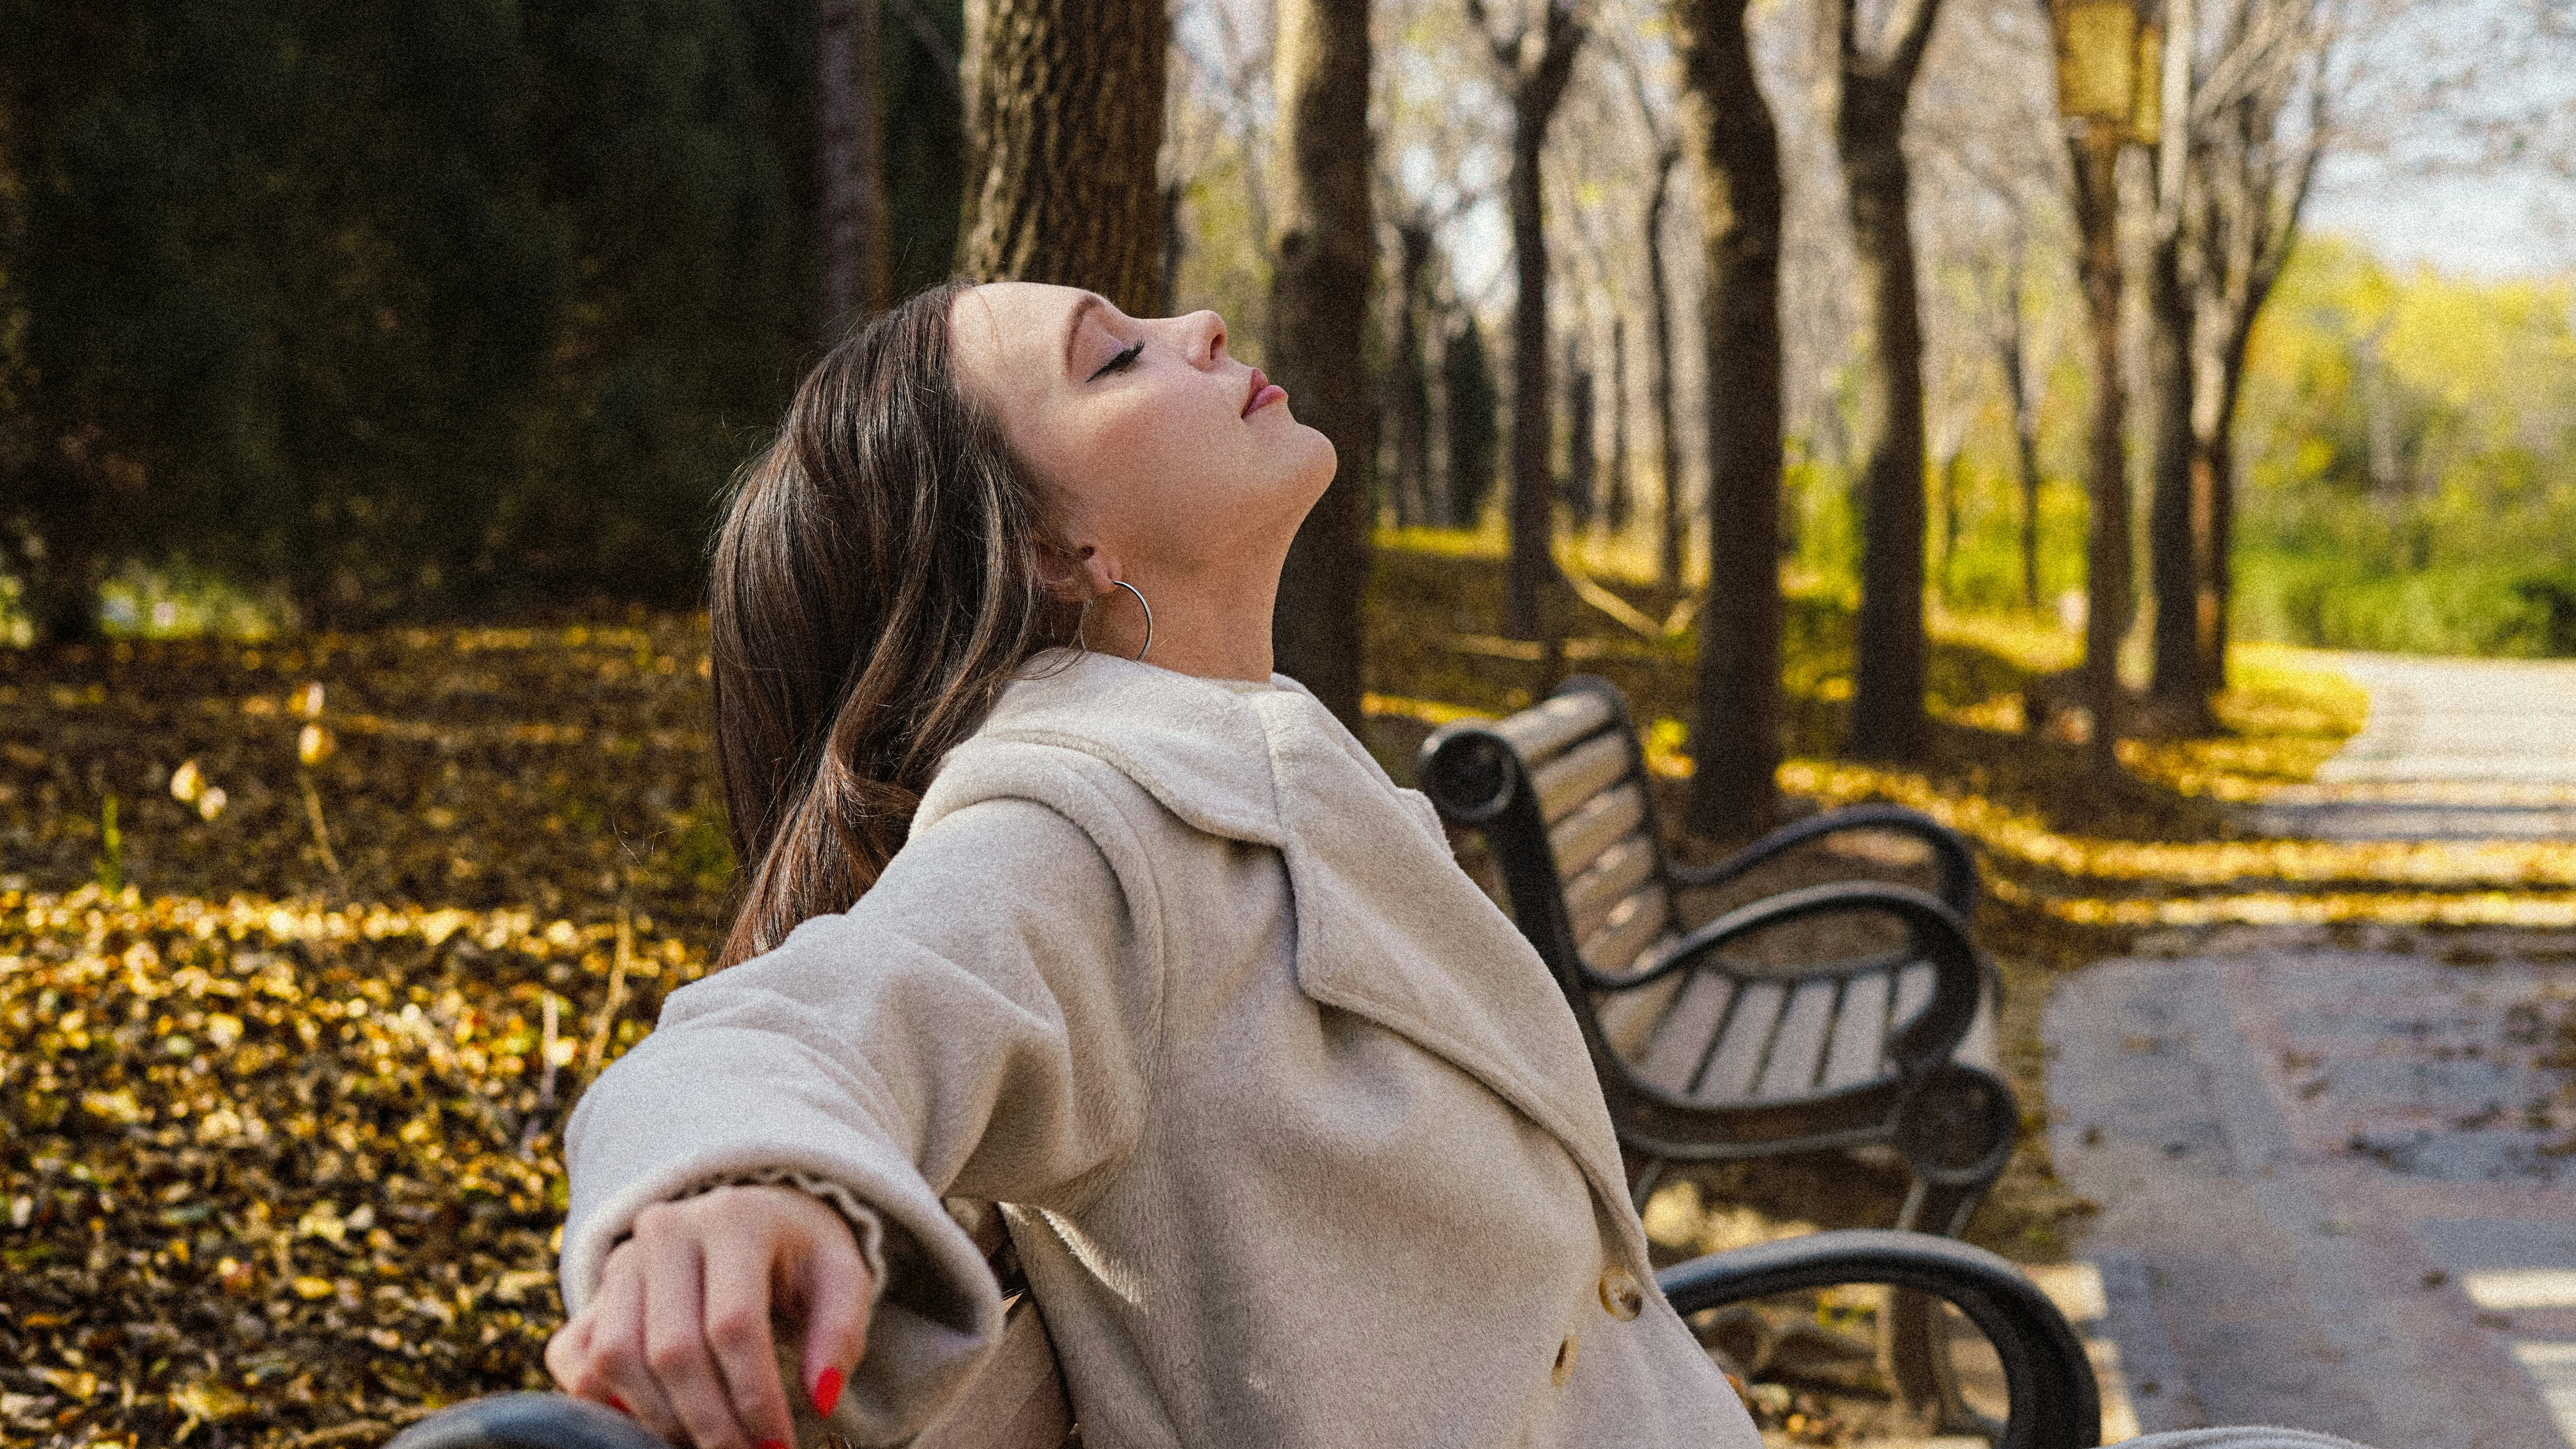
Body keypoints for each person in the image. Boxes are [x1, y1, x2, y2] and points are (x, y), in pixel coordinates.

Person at [537, 281, 2389, 1449]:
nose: (1192, 327)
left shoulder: (1256, 762)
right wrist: (733, 1185)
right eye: (1112, 358)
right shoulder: (1077, 824)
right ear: (1052, 552)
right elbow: (809, 1016)